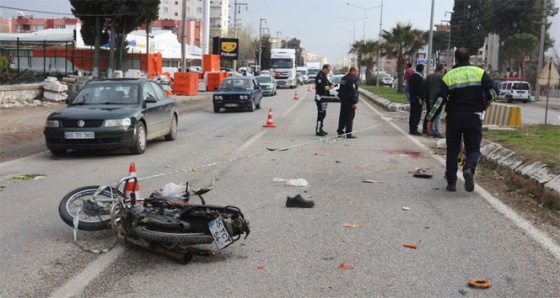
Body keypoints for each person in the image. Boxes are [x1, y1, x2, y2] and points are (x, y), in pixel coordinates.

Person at [426, 48, 498, 192]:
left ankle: (452, 183)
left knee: (452, 150)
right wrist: (487, 102)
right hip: (473, 116)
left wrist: (430, 118)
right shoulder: (480, 72)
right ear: (469, 58)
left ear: (456, 59)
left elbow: (440, 99)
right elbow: (493, 91)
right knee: (473, 148)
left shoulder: (449, 75)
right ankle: (469, 168)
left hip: (454, 118)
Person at [336, 66, 359, 139]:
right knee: (349, 118)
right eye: (356, 71)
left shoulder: (344, 78)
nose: (357, 73)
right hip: (349, 102)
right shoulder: (351, 79)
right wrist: (353, 102)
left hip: (344, 100)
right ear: (352, 71)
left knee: (343, 116)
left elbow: (341, 89)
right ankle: (348, 133)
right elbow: (352, 92)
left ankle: (340, 131)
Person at [423, 63, 445, 138]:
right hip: (439, 98)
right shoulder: (442, 77)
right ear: (442, 69)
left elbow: (425, 86)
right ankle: (436, 131)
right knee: (438, 115)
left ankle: (427, 129)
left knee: (430, 113)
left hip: (430, 97)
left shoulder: (429, 76)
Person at [314, 64, 334, 136]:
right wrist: (329, 88)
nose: (328, 72)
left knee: (323, 114)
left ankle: (321, 128)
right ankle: (318, 130)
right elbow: (321, 88)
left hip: (324, 97)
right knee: (321, 114)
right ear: (324, 68)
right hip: (320, 97)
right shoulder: (320, 76)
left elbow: (327, 83)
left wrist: (331, 85)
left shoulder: (324, 76)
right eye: (328, 70)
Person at [408, 64, 425, 135]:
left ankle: (411, 128)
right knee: (417, 114)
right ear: (421, 70)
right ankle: (414, 129)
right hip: (417, 98)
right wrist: (422, 99)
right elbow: (421, 90)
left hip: (412, 97)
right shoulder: (419, 78)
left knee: (412, 113)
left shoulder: (412, 76)